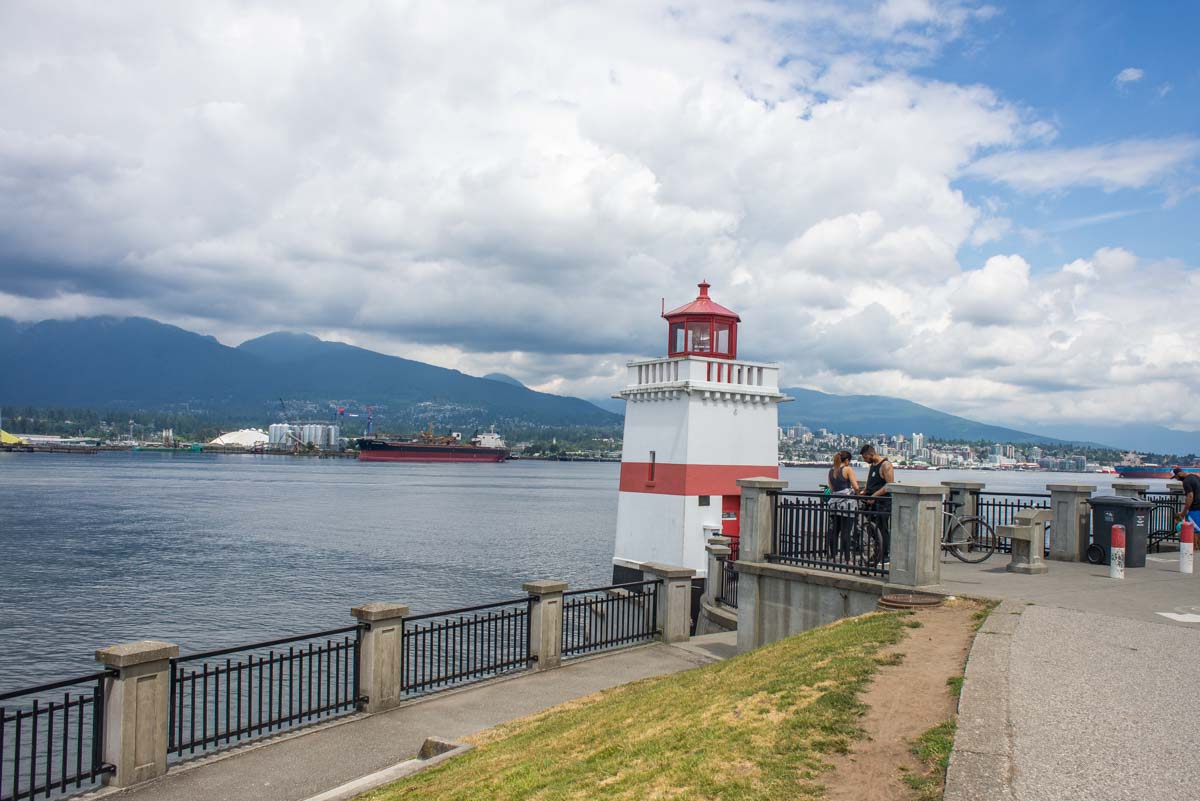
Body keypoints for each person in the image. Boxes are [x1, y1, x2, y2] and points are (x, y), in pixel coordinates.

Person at [860, 444, 895, 559]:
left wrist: (874, 496)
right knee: (871, 528)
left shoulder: (886, 465)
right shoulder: (872, 466)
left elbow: (889, 485)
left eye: (865, 458)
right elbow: (870, 481)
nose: (865, 460)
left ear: (871, 454)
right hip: (870, 502)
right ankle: (877, 552)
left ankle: (885, 554)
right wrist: (864, 491)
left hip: (882, 503)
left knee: (881, 528)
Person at [826, 450, 861, 561]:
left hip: (834, 503)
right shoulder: (847, 469)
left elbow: (831, 489)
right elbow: (855, 486)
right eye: (849, 461)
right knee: (846, 532)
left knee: (834, 531)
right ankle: (846, 558)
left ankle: (833, 555)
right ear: (846, 460)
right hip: (846, 504)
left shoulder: (831, 471)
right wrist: (858, 493)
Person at [1171, 467, 1200, 533]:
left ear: (1178, 474)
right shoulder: (1195, 477)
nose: (1177, 479)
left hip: (1195, 509)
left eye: (1176, 477)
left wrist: (1183, 512)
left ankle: (1194, 543)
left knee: (1194, 531)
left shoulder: (1186, 481)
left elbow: (1190, 496)